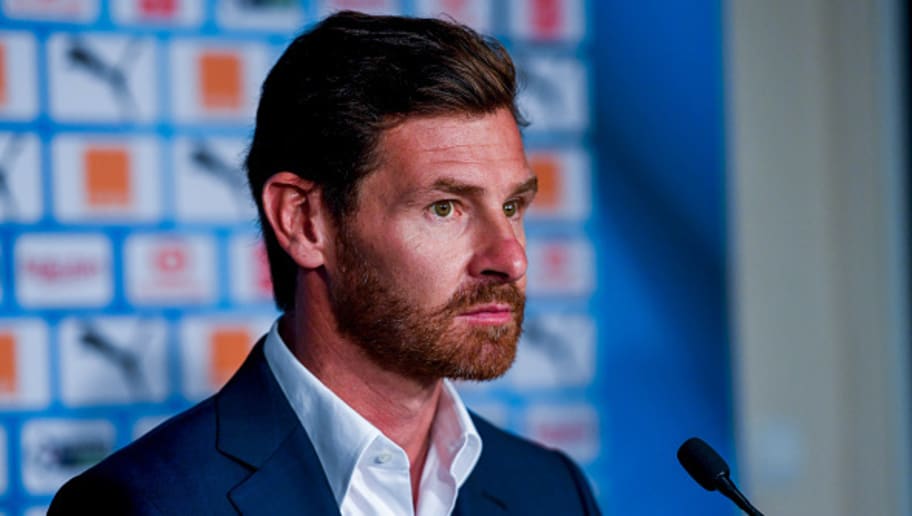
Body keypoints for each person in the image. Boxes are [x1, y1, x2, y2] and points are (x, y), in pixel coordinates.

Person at [49, 10, 600, 515]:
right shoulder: (143, 505)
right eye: (445, 207)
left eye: (512, 207)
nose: (511, 257)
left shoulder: (553, 492)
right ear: (304, 222)